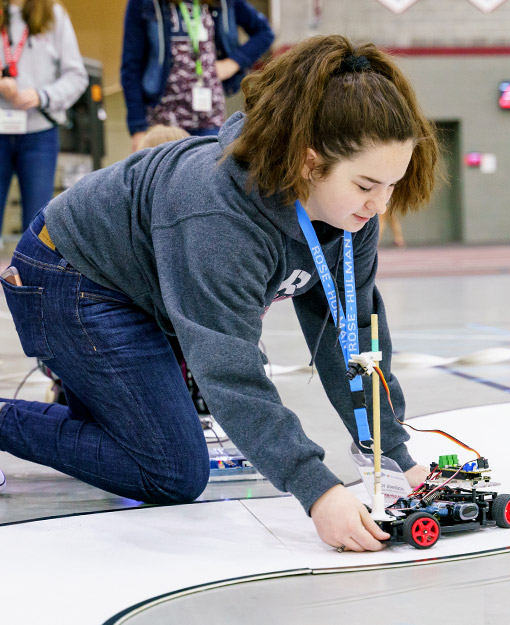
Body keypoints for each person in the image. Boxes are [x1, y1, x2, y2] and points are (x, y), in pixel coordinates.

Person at [0, 34, 439, 552]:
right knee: (170, 471)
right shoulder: (218, 215)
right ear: (308, 163)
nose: (380, 207)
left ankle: (94, 393)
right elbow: (229, 370)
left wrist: (393, 454)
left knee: (146, 428)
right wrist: (317, 489)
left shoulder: (352, 217)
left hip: (143, 290)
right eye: (366, 185)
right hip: (69, 276)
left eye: (392, 185)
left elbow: (352, 339)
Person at [121, 0, 274, 153]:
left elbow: (264, 32)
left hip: (209, 117)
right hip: (163, 121)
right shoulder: (144, 3)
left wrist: (232, 63)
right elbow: (131, 67)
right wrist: (138, 128)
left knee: (206, 173)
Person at [0, 0, 87, 243]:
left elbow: (77, 76)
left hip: (40, 134)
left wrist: (43, 96)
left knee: (38, 229)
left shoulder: (53, 15)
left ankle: (30, 280)